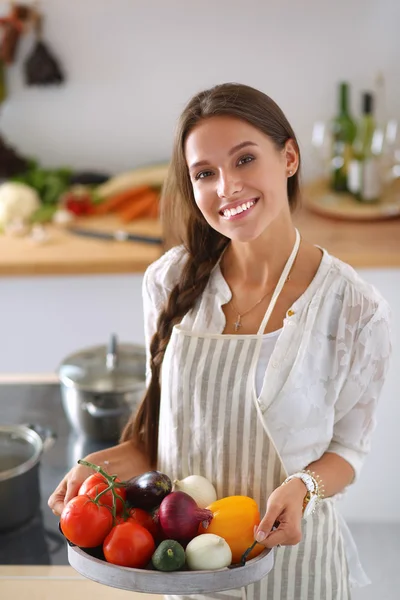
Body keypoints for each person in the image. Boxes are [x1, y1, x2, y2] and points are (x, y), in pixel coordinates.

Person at [49, 83, 392, 600]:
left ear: (290, 157)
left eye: (245, 159)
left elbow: (348, 449)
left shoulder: (354, 308)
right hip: (188, 573)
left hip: (296, 571)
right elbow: (164, 440)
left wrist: (304, 487)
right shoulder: (169, 283)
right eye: (204, 173)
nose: (226, 187)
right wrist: (92, 472)